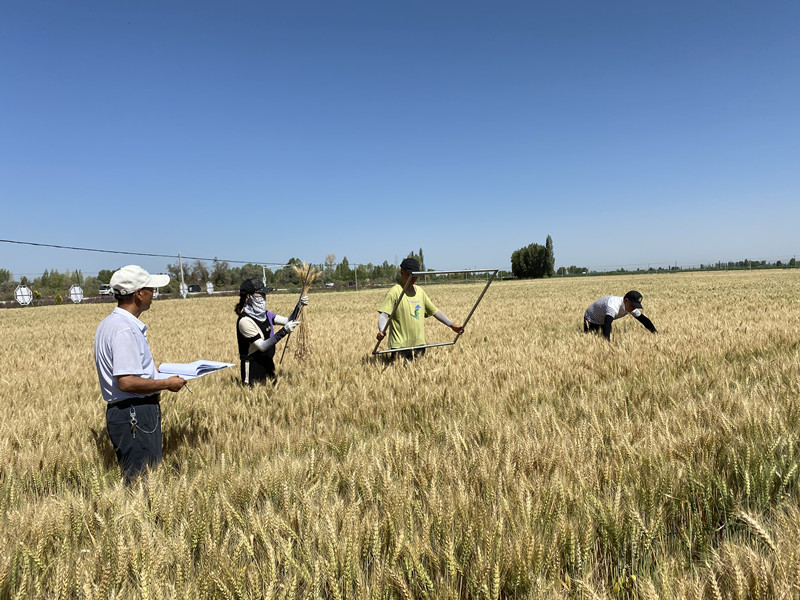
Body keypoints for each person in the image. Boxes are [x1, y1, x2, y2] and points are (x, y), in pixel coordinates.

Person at [94, 265, 186, 483]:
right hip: (134, 413)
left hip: (126, 412)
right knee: (142, 482)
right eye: (151, 289)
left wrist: (155, 373)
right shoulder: (124, 329)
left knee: (139, 480)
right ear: (138, 294)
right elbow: (127, 382)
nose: (154, 294)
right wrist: (166, 383)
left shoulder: (109, 324)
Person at [376, 257, 464, 360]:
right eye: (410, 275)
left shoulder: (420, 292)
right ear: (402, 272)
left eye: (416, 276)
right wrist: (382, 330)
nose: (413, 279)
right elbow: (384, 315)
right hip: (400, 347)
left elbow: (435, 311)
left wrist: (452, 325)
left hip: (419, 345)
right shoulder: (394, 292)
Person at [235, 278, 307, 385]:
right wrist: (284, 331)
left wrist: (299, 306)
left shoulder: (266, 314)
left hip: (268, 364)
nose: (264, 297)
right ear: (249, 296)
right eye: (260, 293)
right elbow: (262, 346)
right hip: (253, 368)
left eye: (264, 294)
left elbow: (288, 320)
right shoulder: (245, 321)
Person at [583, 290, 657, 340]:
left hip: (603, 318)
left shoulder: (630, 307)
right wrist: (607, 344)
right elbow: (607, 323)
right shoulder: (613, 306)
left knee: (605, 334)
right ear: (626, 301)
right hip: (591, 318)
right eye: (633, 305)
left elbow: (644, 320)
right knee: (590, 338)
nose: (634, 308)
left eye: (636, 306)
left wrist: (656, 334)